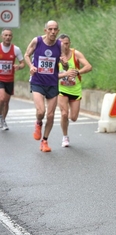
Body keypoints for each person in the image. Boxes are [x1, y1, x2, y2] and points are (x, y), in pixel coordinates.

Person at [24, 20, 68, 152]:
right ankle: (38, 123)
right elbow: (26, 55)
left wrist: (64, 63)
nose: (53, 32)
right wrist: (31, 66)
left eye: (55, 29)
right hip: (37, 81)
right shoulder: (37, 41)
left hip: (52, 82)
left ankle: (44, 141)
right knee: (41, 111)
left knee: (50, 115)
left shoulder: (60, 45)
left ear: (58, 31)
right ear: (45, 30)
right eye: (50, 29)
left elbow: (65, 64)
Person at [57, 34, 92, 147]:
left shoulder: (75, 54)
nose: (65, 46)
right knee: (64, 113)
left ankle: (66, 123)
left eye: (67, 43)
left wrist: (78, 72)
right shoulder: (55, 55)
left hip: (75, 90)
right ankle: (65, 137)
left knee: (73, 118)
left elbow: (88, 66)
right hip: (61, 88)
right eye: (62, 43)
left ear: (69, 44)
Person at [0, 28, 25, 131]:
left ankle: (3, 120)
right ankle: (1, 117)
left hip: (10, 79)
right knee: (1, 99)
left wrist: (19, 66)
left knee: (6, 102)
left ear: (12, 37)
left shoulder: (16, 49)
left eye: (9, 35)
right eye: (5, 35)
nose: (7, 37)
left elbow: (23, 63)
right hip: (0, 78)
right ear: (2, 37)